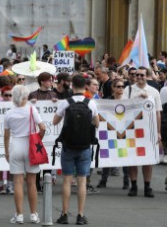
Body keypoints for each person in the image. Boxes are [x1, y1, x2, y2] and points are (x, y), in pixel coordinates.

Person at [53, 74, 99, 225]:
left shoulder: (66, 102)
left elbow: (55, 121)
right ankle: (80, 215)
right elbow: (97, 123)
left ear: (72, 86)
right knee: (82, 181)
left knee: (67, 179)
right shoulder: (90, 103)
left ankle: (64, 214)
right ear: (85, 86)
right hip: (85, 146)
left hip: (68, 145)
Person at [3, 85, 45, 224]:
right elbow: (43, 128)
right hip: (31, 145)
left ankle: (19, 215)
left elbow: (6, 135)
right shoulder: (32, 110)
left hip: (16, 145)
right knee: (32, 182)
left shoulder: (9, 113)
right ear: (26, 97)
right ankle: (33, 214)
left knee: (17, 182)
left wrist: (7, 151)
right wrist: (38, 139)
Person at [122, 66, 162, 198]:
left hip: (148, 129)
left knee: (148, 159)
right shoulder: (128, 90)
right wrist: (137, 99)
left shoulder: (154, 91)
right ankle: (133, 185)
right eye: (137, 75)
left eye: (141, 75)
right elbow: (121, 108)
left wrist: (158, 132)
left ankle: (147, 186)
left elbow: (157, 113)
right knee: (132, 159)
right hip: (132, 128)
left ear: (147, 76)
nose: (138, 77)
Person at [97, 79, 129, 190]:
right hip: (109, 132)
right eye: (118, 86)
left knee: (125, 157)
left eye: (122, 86)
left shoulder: (128, 102)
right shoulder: (106, 101)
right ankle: (103, 180)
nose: (121, 89)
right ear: (113, 88)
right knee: (108, 156)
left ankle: (126, 182)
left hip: (124, 132)